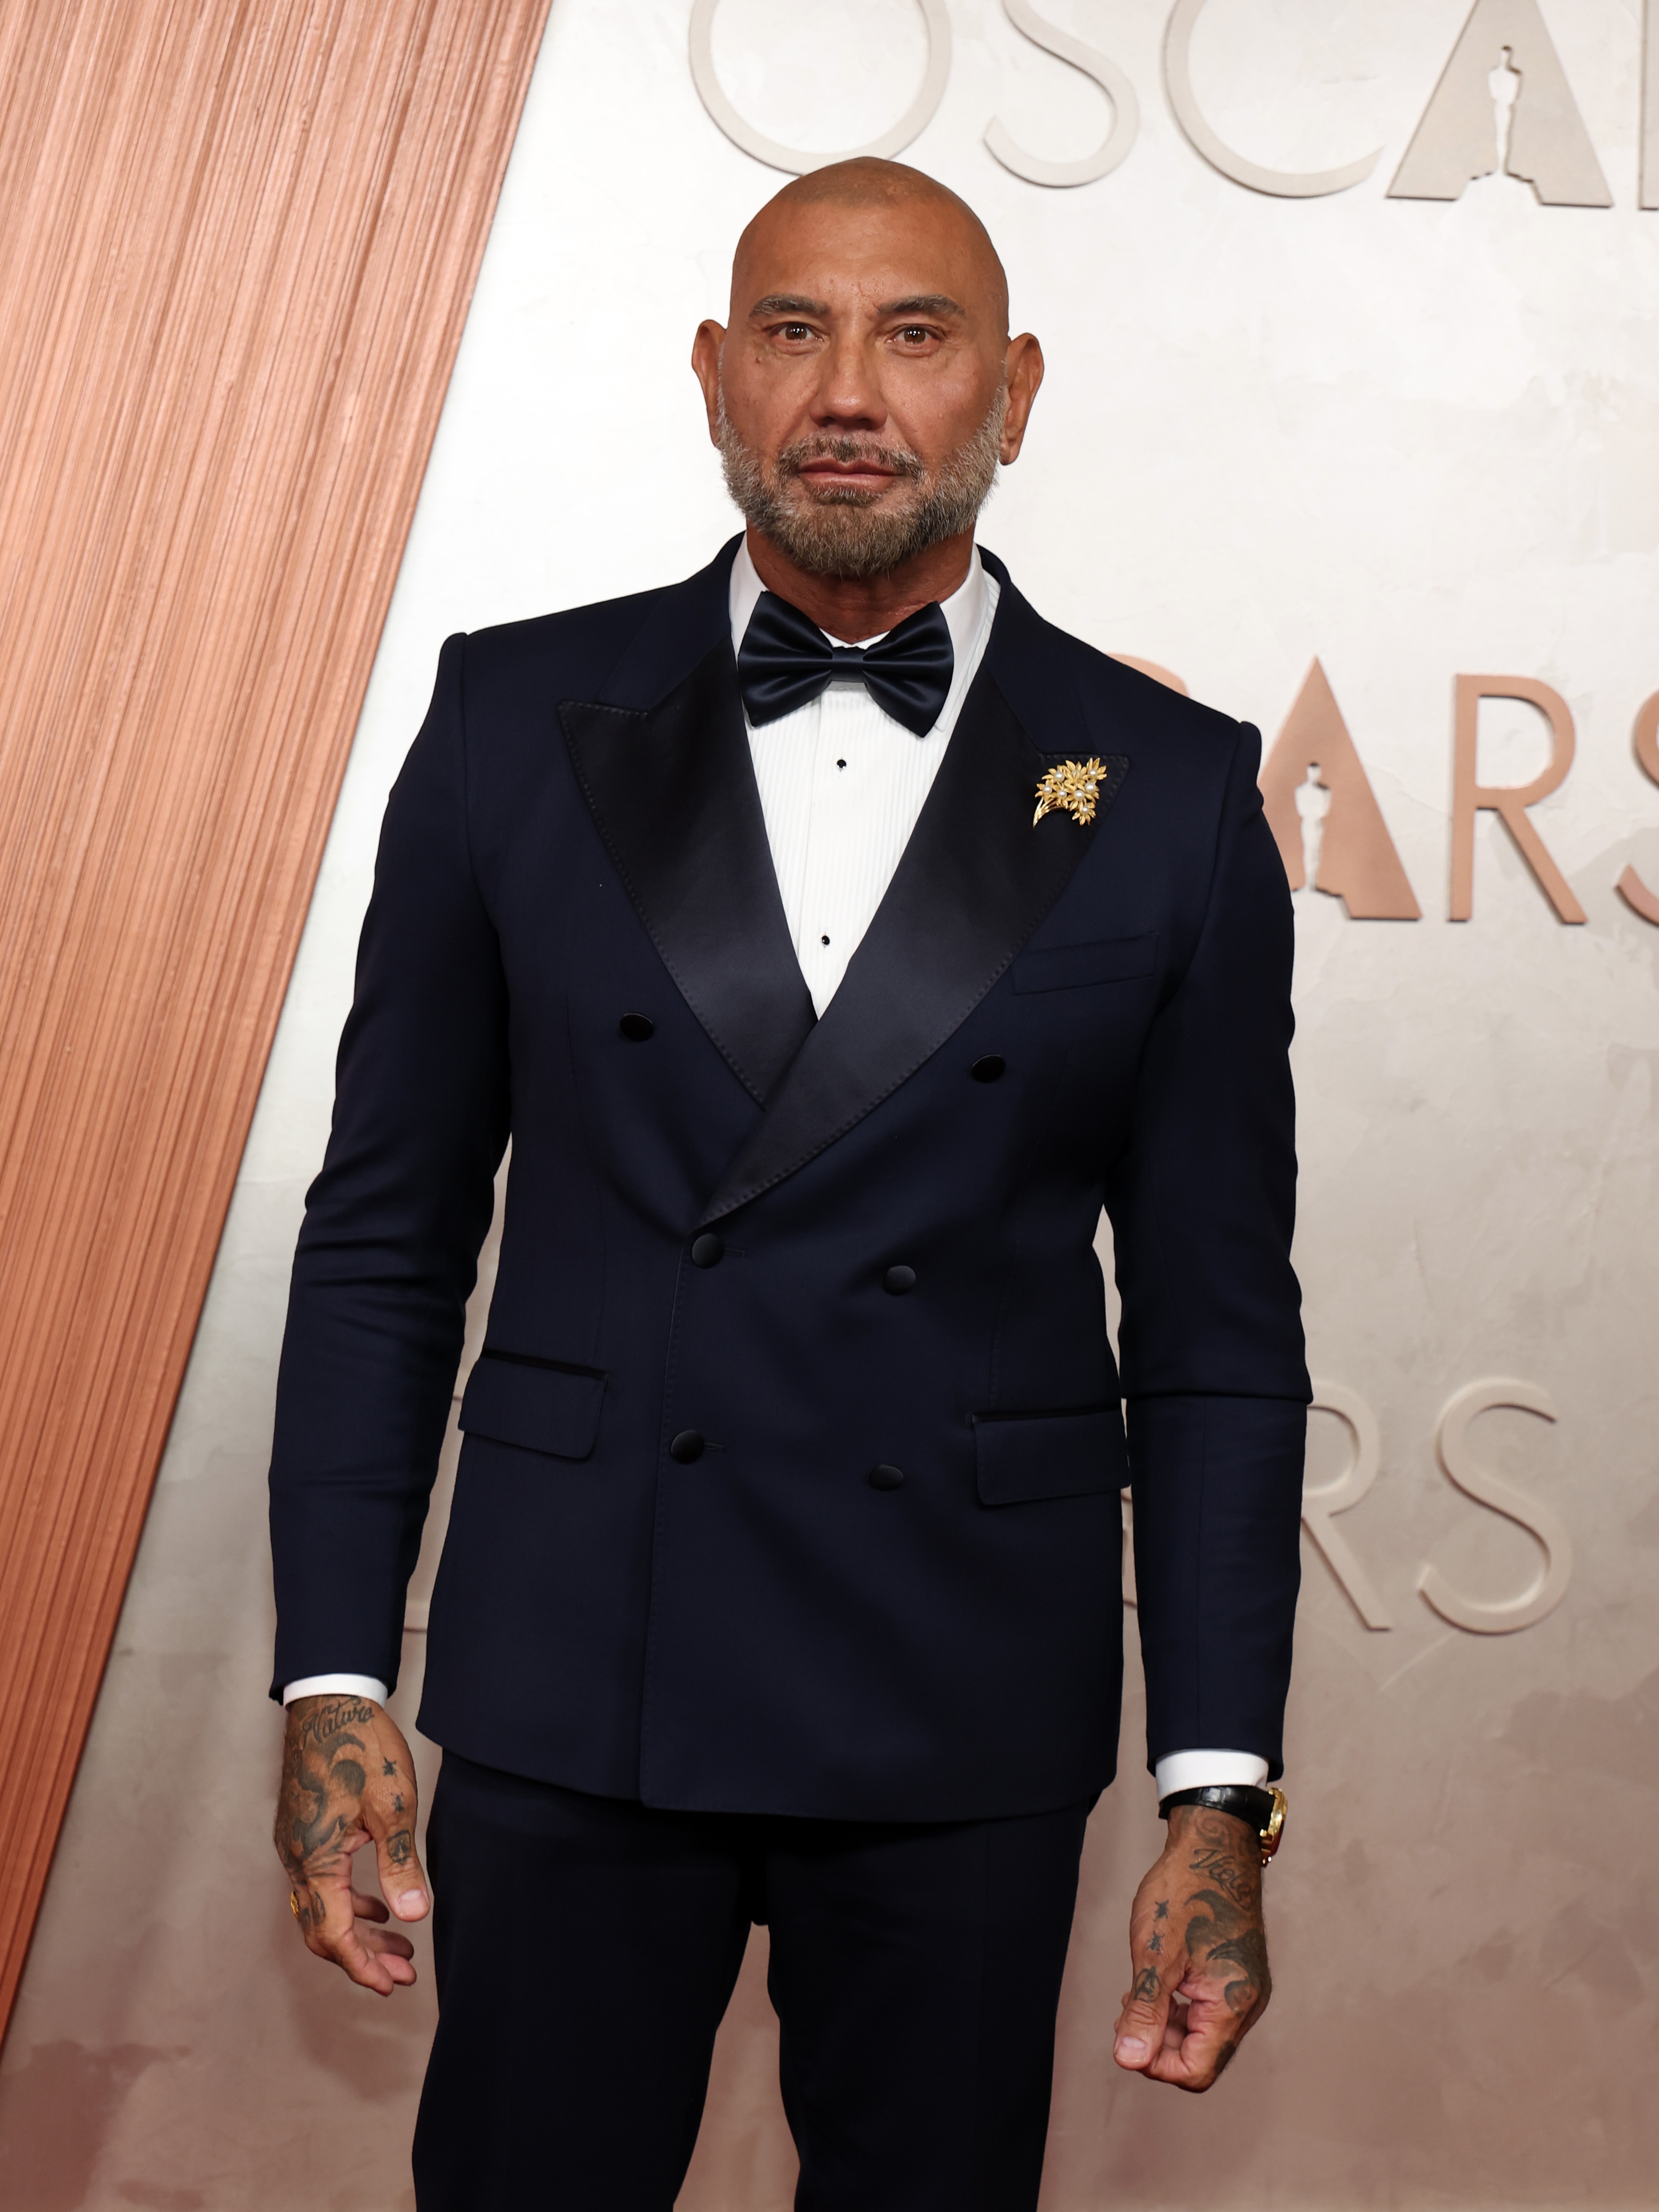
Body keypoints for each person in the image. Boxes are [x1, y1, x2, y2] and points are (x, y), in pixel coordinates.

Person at [270, 158, 1308, 2211]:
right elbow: (385, 1242)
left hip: (956, 1706)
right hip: (577, 1676)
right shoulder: (509, 718)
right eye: (792, 330)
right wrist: (330, 1674)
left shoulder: (1171, 795)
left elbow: (1211, 1339)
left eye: (912, 336)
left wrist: (1216, 1787)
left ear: (1011, 389)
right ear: (710, 379)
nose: (848, 389)